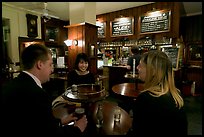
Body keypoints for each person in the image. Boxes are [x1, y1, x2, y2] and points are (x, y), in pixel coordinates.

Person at [1, 44, 88, 136]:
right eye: (50, 64)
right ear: (40, 64)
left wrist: (61, 121)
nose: (51, 70)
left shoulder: (11, 84)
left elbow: (37, 124)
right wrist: (78, 128)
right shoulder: (38, 95)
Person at [128, 50, 188, 136]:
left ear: (152, 71)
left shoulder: (146, 98)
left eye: (141, 65)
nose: (137, 68)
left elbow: (138, 130)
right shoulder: (177, 94)